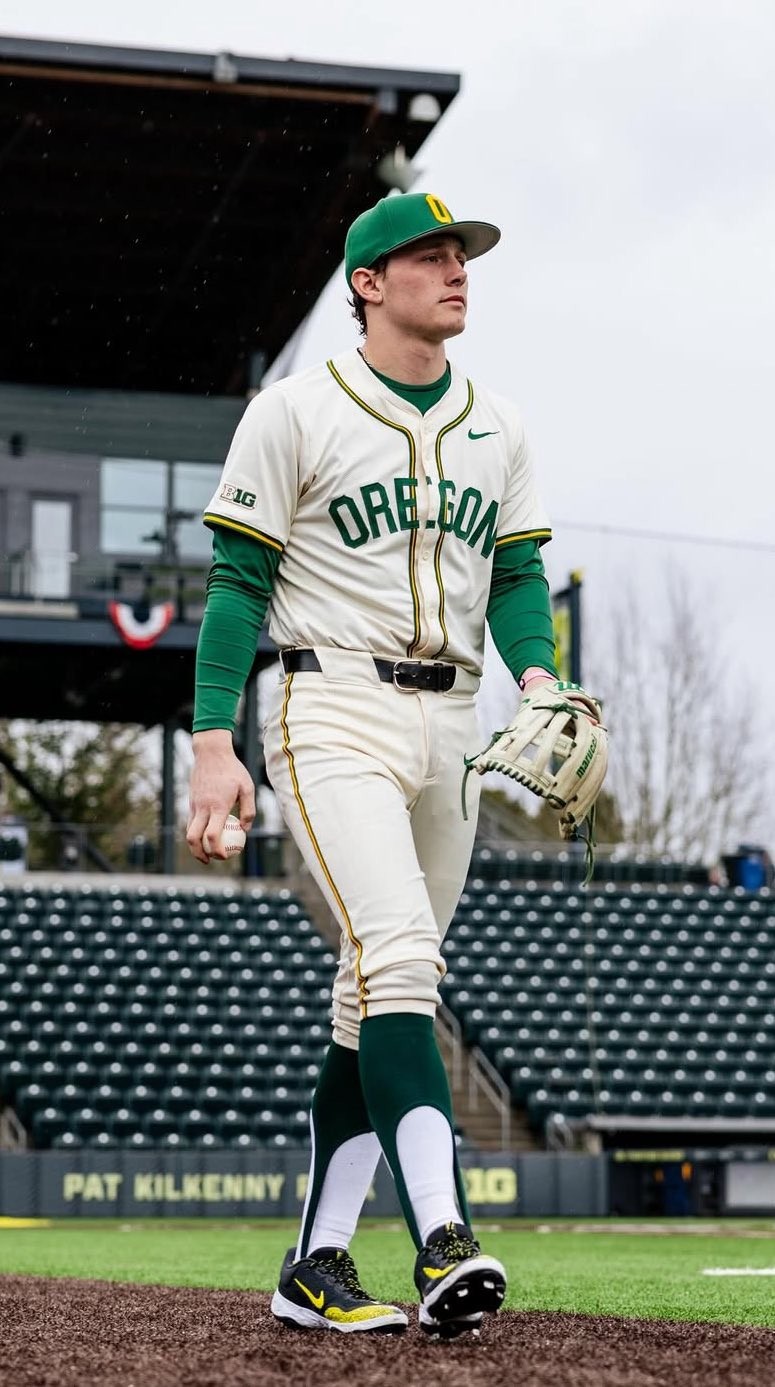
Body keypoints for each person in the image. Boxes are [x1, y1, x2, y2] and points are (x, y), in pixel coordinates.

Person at [186, 191, 559, 1338]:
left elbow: (516, 575)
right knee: (399, 955)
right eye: (431, 256)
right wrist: (211, 741)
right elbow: (238, 584)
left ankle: (316, 1264)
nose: (457, 271)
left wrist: (540, 679)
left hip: (454, 725)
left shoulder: (499, 424)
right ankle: (445, 1235)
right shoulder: (295, 410)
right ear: (367, 282)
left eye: (462, 256)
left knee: (373, 989)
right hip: (331, 701)